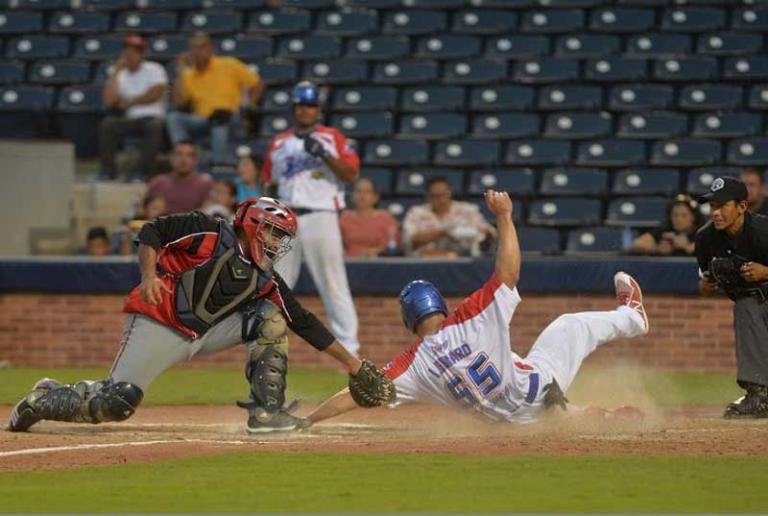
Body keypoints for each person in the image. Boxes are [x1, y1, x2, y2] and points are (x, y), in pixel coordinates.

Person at [8, 198, 392, 434]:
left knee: (272, 318)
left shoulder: (266, 279)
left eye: (282, 237)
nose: (277, 243)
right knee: (117, 402)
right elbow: (153, 231)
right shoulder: (208, 231)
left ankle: (266, 415)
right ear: (254, 225)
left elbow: (304, 321)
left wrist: (355, 367)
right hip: (158, 318)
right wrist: (148, 275)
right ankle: (44, 397)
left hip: (203, 333)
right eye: (273, 232)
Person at [306, 190, 649, 427]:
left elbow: (359, 393)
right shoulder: (469, 314)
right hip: (537, 388)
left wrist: (309, 418)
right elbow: (509, 272)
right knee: (569, 326)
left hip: (509, 424)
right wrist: (505, 217)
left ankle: (587, 415)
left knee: (517, 375)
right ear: (439, 304)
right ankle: (632, 317)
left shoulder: (412, 363)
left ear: (408, 320)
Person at [263, 81, 360, 356]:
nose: (304, 110)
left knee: (333, 282)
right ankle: (268, 344)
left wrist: (325, 155)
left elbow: (350, 174)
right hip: (285, 218)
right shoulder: (279, 142)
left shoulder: (332, 137)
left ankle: (350, 349)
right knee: (276, 283)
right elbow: (269, 182)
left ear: (318, 109)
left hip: (321, 215)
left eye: (309, 105)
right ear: (293, 108)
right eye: (300, 105)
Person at [696, 176, 768, 419]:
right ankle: (759, 394)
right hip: (754, 304)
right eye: (712, 206)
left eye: (722, 205)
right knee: (746, 305)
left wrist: (766, 271)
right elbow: (705, 291)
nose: (715, 212)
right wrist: (707, 284)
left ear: (742, 207)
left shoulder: (763, 231)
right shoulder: (705, 239)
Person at [167, 33, 263, 165]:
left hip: (232, 118)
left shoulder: (229, 64)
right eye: (194, 48)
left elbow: (257, 84)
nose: (198, 52)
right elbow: (180, 102)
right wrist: (181, 71)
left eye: (202, 47)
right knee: (174, 118)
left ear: (211, 49)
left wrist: (250, 104)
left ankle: (219, 165)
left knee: (220, 118)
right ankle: (184, 153)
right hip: (202, 121)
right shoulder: (189, 75)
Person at [99, 35, 167, 181]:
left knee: (154, 126)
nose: (130, 55)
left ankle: (142, 173)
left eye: (134, 52)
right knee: (108, 124)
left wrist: (130, 102)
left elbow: (155, 93)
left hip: (152, 117)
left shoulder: (154, 68)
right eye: (127, 51)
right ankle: (108, 172)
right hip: (130, 119)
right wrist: (116, 71)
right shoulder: (120, 75)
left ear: (142, 54)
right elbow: (109, 100)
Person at [403, 176, 495, 258]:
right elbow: (409, 240)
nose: (441, 200)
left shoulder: (467, 210)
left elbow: (489, 233)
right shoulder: (416, 213)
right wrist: (443, 232)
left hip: (463, 260)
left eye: (444, 194)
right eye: (436, 196)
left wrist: (472, 233)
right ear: (428, 197)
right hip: (424, 261)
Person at [145, 140, 213, 214]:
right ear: (171, 158)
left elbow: (208, 212)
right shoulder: (158, 183)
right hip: (160, 224)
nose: (183, 159)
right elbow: (142, 210)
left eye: (189, 155)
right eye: (179, 154)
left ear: (195, 160)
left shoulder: (205, 184)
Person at [340, 177, 400, 257]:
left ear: (376, 197)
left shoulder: (386, 218)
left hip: (378, 263)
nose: (362, 195)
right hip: (349, 262)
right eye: (358, 191)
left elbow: (393, 244)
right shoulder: (344, 217)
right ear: (352, 196)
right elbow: (336, 244)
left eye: (367, 192)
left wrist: (377, 252)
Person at [631, 194, 699, 256]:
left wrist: (686, 247)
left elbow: (707, 249)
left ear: (693, 217)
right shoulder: (665, 231)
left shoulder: (700, 232)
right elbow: (637, 244)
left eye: (684, 215)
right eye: (675, 215)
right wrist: (657, 249)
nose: (679, 220)